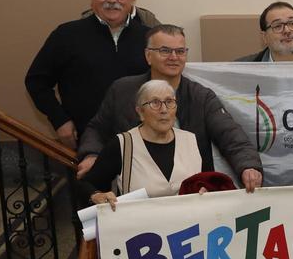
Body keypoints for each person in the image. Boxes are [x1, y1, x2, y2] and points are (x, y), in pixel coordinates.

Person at [77, 25, 263, 191]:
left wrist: (248, 166)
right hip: (138, 200)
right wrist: (91, 154)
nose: (174, 57)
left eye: (180, 51)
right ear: (148, 56)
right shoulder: (122, 91)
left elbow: (231, 136)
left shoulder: (201, 96)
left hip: (193, 195)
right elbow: (97, 129)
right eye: (165, 51)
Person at [25, 0, 150, 149]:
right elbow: (36, 82)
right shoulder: (66, 35)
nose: (112, 0)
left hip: (141, 138)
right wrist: (60, 120)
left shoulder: (148, 37)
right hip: (87, 140)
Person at [79, 80, 212, 207]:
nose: (164, 110)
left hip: (190, 226)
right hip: (140, 227)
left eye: (169, 102)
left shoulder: (192, 141)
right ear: (140, 112)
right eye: (155, 103)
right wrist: (96, 195)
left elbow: (210, 182)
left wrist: (207, 190)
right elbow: (86, 184)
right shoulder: (123, 144)